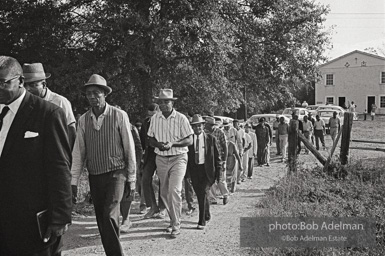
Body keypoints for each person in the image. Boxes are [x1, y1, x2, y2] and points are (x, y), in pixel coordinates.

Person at [0, 56, 72, 255]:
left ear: (20, 81)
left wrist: (60, 216)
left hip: (32, 223)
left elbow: (59, 167)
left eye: (2, 83)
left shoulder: (48, 114)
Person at [71, 74, 136, 256]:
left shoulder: (119, 115)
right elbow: (79, 152)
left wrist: (131, 178)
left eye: (96, 93)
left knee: (109, 214)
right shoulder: (83, 120)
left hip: (117, 173)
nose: (92, 97)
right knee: (102, 219)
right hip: (95, 174)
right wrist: (74, 181)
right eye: (89, 93)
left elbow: (129, 148)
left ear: (105, 94)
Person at [147, 89, 193, 238]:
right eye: (160, 102)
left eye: (166, 101)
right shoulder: (155, 118)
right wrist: (158, 144)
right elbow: (150, 139)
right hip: (161, 158)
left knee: (174, 190)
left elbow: (189, 140)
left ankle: (176, 225)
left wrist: (173, 144)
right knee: (164, 192)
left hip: (178, 158)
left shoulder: (181, 118)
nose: (163, 104)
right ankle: (173, 220)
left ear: (172, 102)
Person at [23, 63, 76, 149]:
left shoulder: (60, 102)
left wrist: (67, 157)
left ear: (44, 84)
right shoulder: (25, 104)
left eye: (32, 85)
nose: (27, 89)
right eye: (25, 85)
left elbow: (71, 131)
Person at [187, 115, 221, 230]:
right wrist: (187, 174)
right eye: (195, 126)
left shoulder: (211, 139)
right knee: (201, 194)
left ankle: (201, 221)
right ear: (192, 127)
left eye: (199, 126)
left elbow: (217, 158)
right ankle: (207, 214)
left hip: (207, 171)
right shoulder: (189, 140)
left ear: (203, 126)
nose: (197, 128)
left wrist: (219, 175)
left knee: (204, 192)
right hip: (195, 171)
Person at [140, 103, 166, 219]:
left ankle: (162, 208)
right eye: (149, 116)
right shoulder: (145, 123)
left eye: (153, 115)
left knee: (162, 180)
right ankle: (152, 207)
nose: (151, 118)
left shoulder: (163, 122)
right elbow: (142, 139)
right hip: (149, 155)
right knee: (145, 179)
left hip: (161, 153)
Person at [120, 124, 143, 233]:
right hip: (112, 165)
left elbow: (138, 148)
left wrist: (135, 165)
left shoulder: (131, 128)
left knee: (127, 192)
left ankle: (125, 219)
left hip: (128, 163)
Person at [205, 116, 230, 205]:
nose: (210, 126)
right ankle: (212, 198)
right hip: (209, 159)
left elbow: (225, 146)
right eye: (208, 125)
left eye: (212, 125)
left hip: (219, 158)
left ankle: (225, 194)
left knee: (220, 179)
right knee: (210, 178)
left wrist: (225, 160)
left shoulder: (219, 132)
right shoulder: (204, 133)